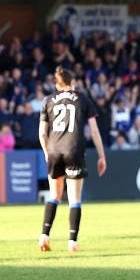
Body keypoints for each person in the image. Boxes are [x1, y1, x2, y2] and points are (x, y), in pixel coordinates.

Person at [38, 66, 106, 253]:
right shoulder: (82, 99)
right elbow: (93, 130)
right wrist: (101, 155)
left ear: (57, 84)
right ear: (72, 82)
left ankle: (44, 236)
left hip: (53, 150)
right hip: (74, 149)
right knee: (74, 199)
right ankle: (72, 241)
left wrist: (46, 151)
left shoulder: (48, 100)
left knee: (54, 195)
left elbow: (42, 132)